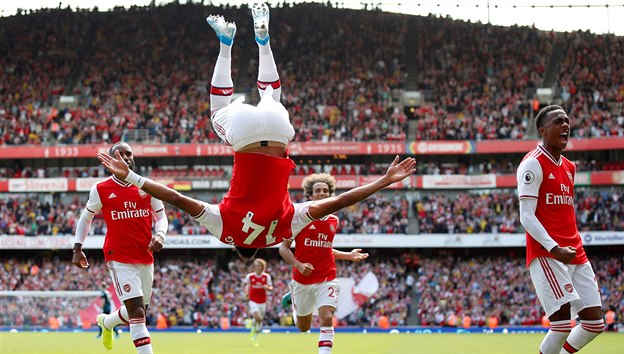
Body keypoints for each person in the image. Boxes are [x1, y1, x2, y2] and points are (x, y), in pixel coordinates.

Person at [97, 3, 416, 261]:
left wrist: (385, 181)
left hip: (278, 134)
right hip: (245, 137)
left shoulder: (285, 231)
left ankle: (264, 43)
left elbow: (339, 201)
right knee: (218, 111)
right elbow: (178, 199)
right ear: (236, 246)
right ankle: (226, 43)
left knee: (272, 98)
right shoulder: (224, 230)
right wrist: (132, 177)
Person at [517, 105, 604, 354]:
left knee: (594, 323)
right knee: (561, 326)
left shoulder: (569, 167)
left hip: (575, 250)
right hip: (549, 254)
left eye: (567, 121)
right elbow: (526, 216)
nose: (565, 125)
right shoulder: (532, 164)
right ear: (543, 130)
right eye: (558, 121)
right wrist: (554, 248)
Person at [73, 142, 168, 354]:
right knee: (137, 314)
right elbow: (86, 218)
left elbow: (161, 217)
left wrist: (160, 234)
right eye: (120, 154)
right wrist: (77, 247)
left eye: (129, 154)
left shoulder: (147, 186)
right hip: (119, 256)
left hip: (145, 255)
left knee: (139, 310)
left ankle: (107, 322)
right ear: (111, 160)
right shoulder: (101, 189)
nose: (126, 157)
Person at [279, 173, 368, 354]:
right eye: (318, 191)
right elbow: (283, 248)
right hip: (302, 279)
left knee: (326, 317)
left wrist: (348, 256)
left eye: (325, 191)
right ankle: (294, 299)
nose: (322, 193)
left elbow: (325, 249)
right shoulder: (298, 218)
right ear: (310, 196)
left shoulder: (333, 220)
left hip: (327, 277)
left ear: (330, 195)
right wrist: (299, 265)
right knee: (303, 327)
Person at [244, 258, 273, 347]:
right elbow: (246, 286)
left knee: (259, 320)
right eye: (256, 265)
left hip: (262, 302)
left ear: (262, 267)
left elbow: (271, 288)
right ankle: (254, 329)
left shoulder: (266, 276)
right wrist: (246, 293)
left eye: (259, 265)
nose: (257, 267)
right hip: (253, 301)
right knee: (258, 317)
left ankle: (255, 333)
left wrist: (267, 288)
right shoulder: (250, 276)